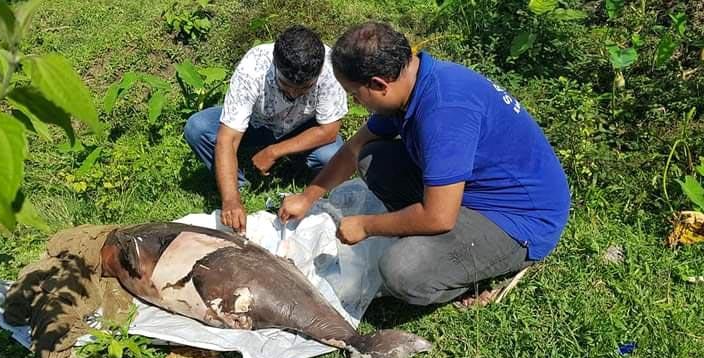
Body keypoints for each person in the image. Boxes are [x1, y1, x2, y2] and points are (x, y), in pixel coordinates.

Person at [278, 22, 570, 307]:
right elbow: (354, 148)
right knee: (371, 157)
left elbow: (439, 217)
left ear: (379, 84)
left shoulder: (444, 111)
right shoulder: (411, 83)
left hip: (517, 219)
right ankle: (428, 238)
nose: (357, 102)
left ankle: (464, 277)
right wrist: (308, 196)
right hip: (468, 191)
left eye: (355, 95)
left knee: (403, 269)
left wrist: (366, 226)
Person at [184, 25, 348, 234]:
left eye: (304, 88)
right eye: (285, 85)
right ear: (274, 65)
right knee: (198, 128)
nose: (293, 94)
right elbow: (228, 139)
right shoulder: (253, 67)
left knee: (331, 154)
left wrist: (274, 151)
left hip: (302, 127)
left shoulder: (330, 70)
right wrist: (231, 199)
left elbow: (329, 130)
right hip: (257, 123)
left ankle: (302, 175)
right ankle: (239, 185)